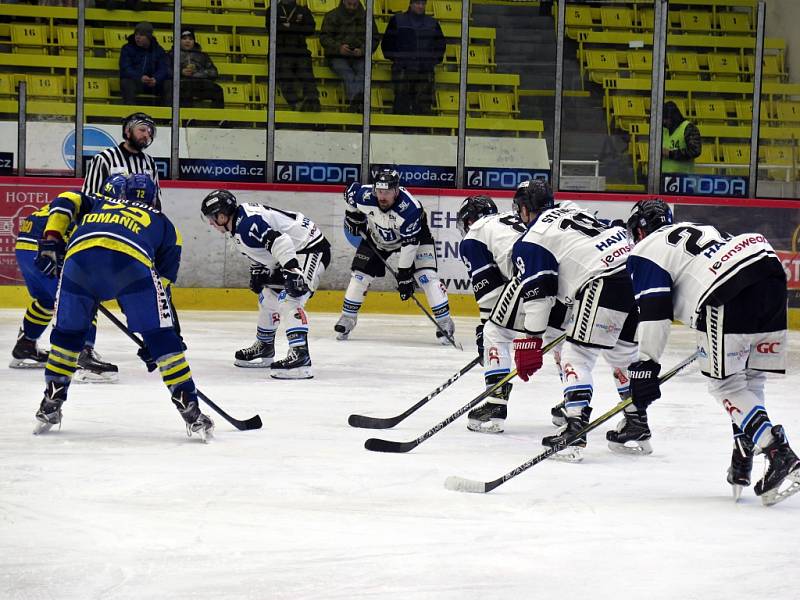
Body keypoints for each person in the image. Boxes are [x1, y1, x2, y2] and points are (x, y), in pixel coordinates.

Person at [625, 198, 799, 505]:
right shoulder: (698, 227)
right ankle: (744, 447)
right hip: (766, 267)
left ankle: (776, 450)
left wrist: (646, 364)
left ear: (639, 230)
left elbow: (654, 310)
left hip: (725, 289)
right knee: (750, 379)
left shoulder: (643, 250)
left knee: (726, 384)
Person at [33, 174, 215, 442]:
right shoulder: (165, 224)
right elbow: (161, 288)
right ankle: (189, 407)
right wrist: (158, 338)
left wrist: (52, 238)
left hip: (78, 261)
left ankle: (51, 402)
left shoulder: (98, 203)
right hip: (132, 265)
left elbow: (66, 199)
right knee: (162, 338)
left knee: (67, 338)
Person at [507, 180, 640, 462]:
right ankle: (636, 421)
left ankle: (575, 427)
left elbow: (539, 297)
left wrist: (530, 340)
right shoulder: (571, 209)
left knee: (576, 354)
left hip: (602, 281)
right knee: (623, 355)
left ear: (526, 209)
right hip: (635, 273)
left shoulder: (531, 240)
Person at [9, 175, 128, 381]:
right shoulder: (97, 207)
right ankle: (83, 354)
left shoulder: (92, 203)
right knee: (84, 296)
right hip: (42, 245)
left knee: (46, 301)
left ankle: (25, 346)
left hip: (26, 246)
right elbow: (65, 200)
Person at [201, 190, 330, 379]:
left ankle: (301, 355)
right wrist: (258, 270)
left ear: (222, 215)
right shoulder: (238, 223)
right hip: (292, 252)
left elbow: (281, 241)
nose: (211, 223)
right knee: (268, 296)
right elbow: (262, 248)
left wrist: (293, 271)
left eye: (212, 218)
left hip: (310, 248)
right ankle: (265, 346)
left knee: (291, 298)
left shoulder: (246, 224)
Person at [336, 168, 455, 343]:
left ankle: (444, 322)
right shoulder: (365, 196)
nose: (382, 197)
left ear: (397, 191)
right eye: (379, 191)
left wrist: (404, 275)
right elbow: (350, 193)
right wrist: (352, 216)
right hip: (378, 238)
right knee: (360, 275)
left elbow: (410, 244)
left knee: (426, 276)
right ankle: (347, 318)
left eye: (388, 192)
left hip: (416, 239)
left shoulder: (410, 210)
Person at [82, 112, 163, 210]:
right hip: (110, 220)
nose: (146, 135)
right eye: (142, 130)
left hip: (140, 222)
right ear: (127, 131)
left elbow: (156, 199)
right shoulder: (104, 158)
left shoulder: (149, 162)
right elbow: (89, 197)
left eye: (150, 131)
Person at [381, 0, 445, 115]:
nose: (420, 6)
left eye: (423, 3)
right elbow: (387, 44)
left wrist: (431, 62)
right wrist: (399, 59)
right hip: (403, 68)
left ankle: (421, 130)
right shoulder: (397, 20)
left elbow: (440, 47)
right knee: (401, 101)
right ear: (410, 4)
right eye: (417, 3)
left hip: (424, 69)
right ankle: (401, 128)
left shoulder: (433, 23)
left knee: (423, 104)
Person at [320, 0, 380, 113]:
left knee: (363, 71)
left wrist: (363, 50)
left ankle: (355, 104)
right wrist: (339, 48)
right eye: (349, 4)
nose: (352, 7)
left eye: (354, 5)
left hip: (359, 56)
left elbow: (374, 38)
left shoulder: (366, 17)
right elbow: (324, 38)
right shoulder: (332, 16)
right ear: (343, 2)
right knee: (347, 72)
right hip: (337, 56)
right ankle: (359, 105)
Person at [266, 0, 322, 112]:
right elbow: (272, 28)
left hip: (300, 51)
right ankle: (296, 104)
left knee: (306, 74)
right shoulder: (273, 9)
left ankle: (312, 100)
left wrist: (288, 27)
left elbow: (310, 29)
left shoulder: (303, 10)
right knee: (285, 74)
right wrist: (297, 27)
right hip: (280, 52)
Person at [167, 28, 224, 110]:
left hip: (199, 83)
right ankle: (187, 118)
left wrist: (196, 73)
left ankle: (218, 119)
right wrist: (181, 72)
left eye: (190, 39)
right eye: (184, 38)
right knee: (185, 89)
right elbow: (167, 70)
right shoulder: (171, 54)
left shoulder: (203, 55)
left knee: (218, 90)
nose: (187, 41)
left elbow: (213, 72)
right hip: (181, 83)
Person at [119, 22, 172, 107]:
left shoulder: (158, 50)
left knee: (168, 83)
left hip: (152, 84)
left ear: (149, 37)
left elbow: (163, 68)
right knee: (126, 82)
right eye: (136, 34)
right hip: (136, 82)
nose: (138, 37)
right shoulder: (127, 48)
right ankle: (130, 114)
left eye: (141, 35)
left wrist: (156, 79)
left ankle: (168, 117)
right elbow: (125, 68)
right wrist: (140, 77)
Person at [662, 100, 702, 174]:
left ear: (674, 117)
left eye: (667, 119)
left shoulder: (688, 128)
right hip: (663, 176)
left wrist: (670, 154)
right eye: (663, 119)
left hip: (683, 178)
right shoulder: (663, 129)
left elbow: (695, 151)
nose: (664, 122)